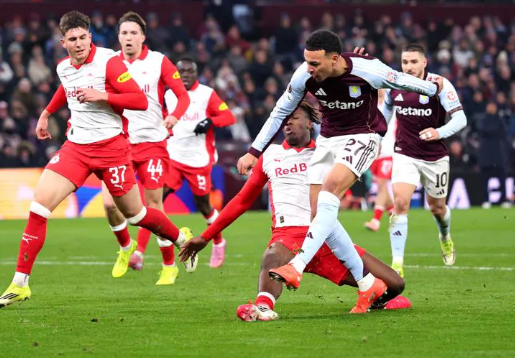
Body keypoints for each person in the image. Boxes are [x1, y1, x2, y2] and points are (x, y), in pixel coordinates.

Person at [0, 11, 197, 308]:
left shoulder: (109, 62)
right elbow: (66, 89)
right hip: (76, 149)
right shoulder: (64, 67)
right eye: (72, 39)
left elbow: (139, 100)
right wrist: (46, 113)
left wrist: (103, 96)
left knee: (136, 215)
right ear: (63, 43)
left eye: (82, 38)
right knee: (38, 207)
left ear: (90, 37)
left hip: (112, 150)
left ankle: (181, 239)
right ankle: (19, 284)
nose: (78, 44)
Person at [236, 29, 442, 313]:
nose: (309, 68)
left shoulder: (368, 70)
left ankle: (297, 266)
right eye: (307, 61)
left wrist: (434, 89)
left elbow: (400, 80)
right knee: (319, 215)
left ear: (334, 59)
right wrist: (254, 151)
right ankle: (367, 284)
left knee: (330, 190)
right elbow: (279, 111)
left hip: (363, 136)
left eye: (315, 63)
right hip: (329, 139)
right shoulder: (303, 76)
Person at [179, 102, 411, 321]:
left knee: (395, 285)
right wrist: (206, 237)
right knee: (272, 255)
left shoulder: (327, 153)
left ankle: (377, 301)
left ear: (310, 123)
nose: (288, 122)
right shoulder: (270, 155)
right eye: (285, 119)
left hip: (327, 237)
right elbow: (241, 201)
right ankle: (262, 308)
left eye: (294, 118)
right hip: (287, 237)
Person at [100, 12, 190, 285]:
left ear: (142, 37)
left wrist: (174, 115)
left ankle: (168, 265)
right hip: (118, 143)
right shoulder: (109, 62)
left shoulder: (158, 61)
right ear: (118, 37)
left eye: (133, 33)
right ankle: (126, 247)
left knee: (153, 205)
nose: (128, 38)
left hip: (152, 143)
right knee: (109, 205)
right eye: (124, 33)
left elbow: (182, 96)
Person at [140, 56, 235, 269]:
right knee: (156, 200)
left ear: (196, 73)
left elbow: (229, 117)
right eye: (181, 71)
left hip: (198, 160)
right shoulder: (168, 95)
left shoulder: (206, 94)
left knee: (204, 206)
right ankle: (142, 252)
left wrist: (210, 121)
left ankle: (219, 242)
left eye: (189, 71)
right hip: (173, 158)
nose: (185, 75)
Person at [380, 44, 467, 277]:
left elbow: (460, 119)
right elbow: (386, 112)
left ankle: (445, 236)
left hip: (434, 157)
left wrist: (439, 132)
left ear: (424, 62)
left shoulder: (439, 84)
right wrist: (377, 135)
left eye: (413, 62)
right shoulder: (394, 84)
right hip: (405, 153)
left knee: (437, 208)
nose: (408, 67)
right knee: (400, 204)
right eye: (405, 62)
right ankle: (397, 264)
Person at [364, 90, 396, 232]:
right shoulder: (370, 105)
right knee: (382, 187)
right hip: (375, 152)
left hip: (389, 151)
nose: (379, 89)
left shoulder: (392, 105)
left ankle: (375, 220)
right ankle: (395, 216)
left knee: (382, 185)